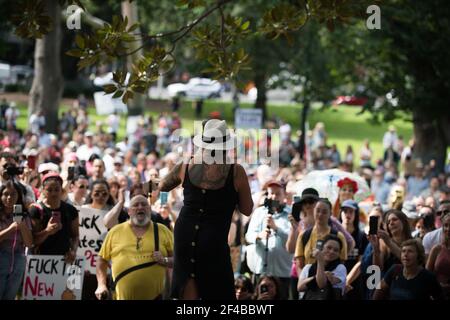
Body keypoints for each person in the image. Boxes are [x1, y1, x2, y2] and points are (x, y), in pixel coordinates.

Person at [158, 119, 253, 300]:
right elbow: (247, 209)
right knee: (218, 291)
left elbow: (162, 186)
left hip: (185, 234)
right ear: (226, 145)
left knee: (188, 285)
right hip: (214, 239)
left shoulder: (186, 165)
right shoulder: (235, 171)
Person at [95, 195, 174, 300]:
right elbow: (102, 260)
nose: (140, 207)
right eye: (135, 205)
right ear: (129, 211)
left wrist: (165, 260)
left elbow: (179, 260)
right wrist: (101, 285)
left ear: (150, 210)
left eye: (144, 204)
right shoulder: (115, 231)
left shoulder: (163, 230)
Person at [245, 180, 293, 300]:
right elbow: (248, 236)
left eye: (278, 194)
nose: (274, 197)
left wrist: (276, 228)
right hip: (260, 271)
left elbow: (293, 241)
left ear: (284, 196)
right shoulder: (259, 212)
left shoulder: (290, 214)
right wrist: (259, 236)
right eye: (271, 193)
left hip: (281, 272)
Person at [29, 173, 79, 262]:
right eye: (49, 190)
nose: (53, 193)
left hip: (63, 262)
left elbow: (75, 236)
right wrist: (47, 231)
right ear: (43, 190)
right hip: (40, 263)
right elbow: (32, 240)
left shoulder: (71, 210)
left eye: (57, 189)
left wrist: (73, 251)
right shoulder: (35, 210)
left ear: (62, 190)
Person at [294, 199, 348, 280]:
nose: (320, 214)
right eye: (318, 211)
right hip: (308, 283)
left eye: (324, 212)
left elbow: (341, 262)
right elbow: (299, 264)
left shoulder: (338, 236)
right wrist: (303, 282)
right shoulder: (304, 235)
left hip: (330, 283)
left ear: (330, 214)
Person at [373, 239, 443, 300]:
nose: (405, 254)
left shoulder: (428, 277)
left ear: (418, 255)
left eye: (410, 251)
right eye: (403, 251)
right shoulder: (395, 269)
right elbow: (380, 290)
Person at [0, 181, 33, 300]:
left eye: (13, 194)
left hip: (18, 261)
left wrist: (22, 225)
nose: (9, 197)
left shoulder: (25, 216)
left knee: (10, 296)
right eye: (5, 194)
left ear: (19, 196)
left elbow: (29, 243)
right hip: (1, 258)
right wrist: (10, 229)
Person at [298, 234, 347, 300]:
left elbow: (321, 284)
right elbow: (300, 287)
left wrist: (320, 261)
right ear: (321, 248)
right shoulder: (308, 267)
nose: (331, 251)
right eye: (329, 248)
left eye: (336, 250)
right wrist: (315, 277)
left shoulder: (340, 268)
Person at [339, 200, 368, 299]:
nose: (347, 214)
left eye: (351, 211)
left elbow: (360, 263)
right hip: (336, 282)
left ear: (356, 214)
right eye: (345, 211)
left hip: (354, 284)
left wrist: (346, 281)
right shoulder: (334, 234)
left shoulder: (361, 236)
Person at [368, 209, 412, 274]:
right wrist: (376, 248)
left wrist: (389, 242)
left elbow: (411, 263)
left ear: (404, 222)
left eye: (394, 219)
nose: (391, 223)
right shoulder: (383, 243)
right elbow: (377, 269)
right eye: (388, 222)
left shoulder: (414, 242)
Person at [426, 212, 450, 299]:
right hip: (437, 294)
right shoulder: (437, 249)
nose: (448, 229)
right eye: (446, 225)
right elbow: (427, 274)